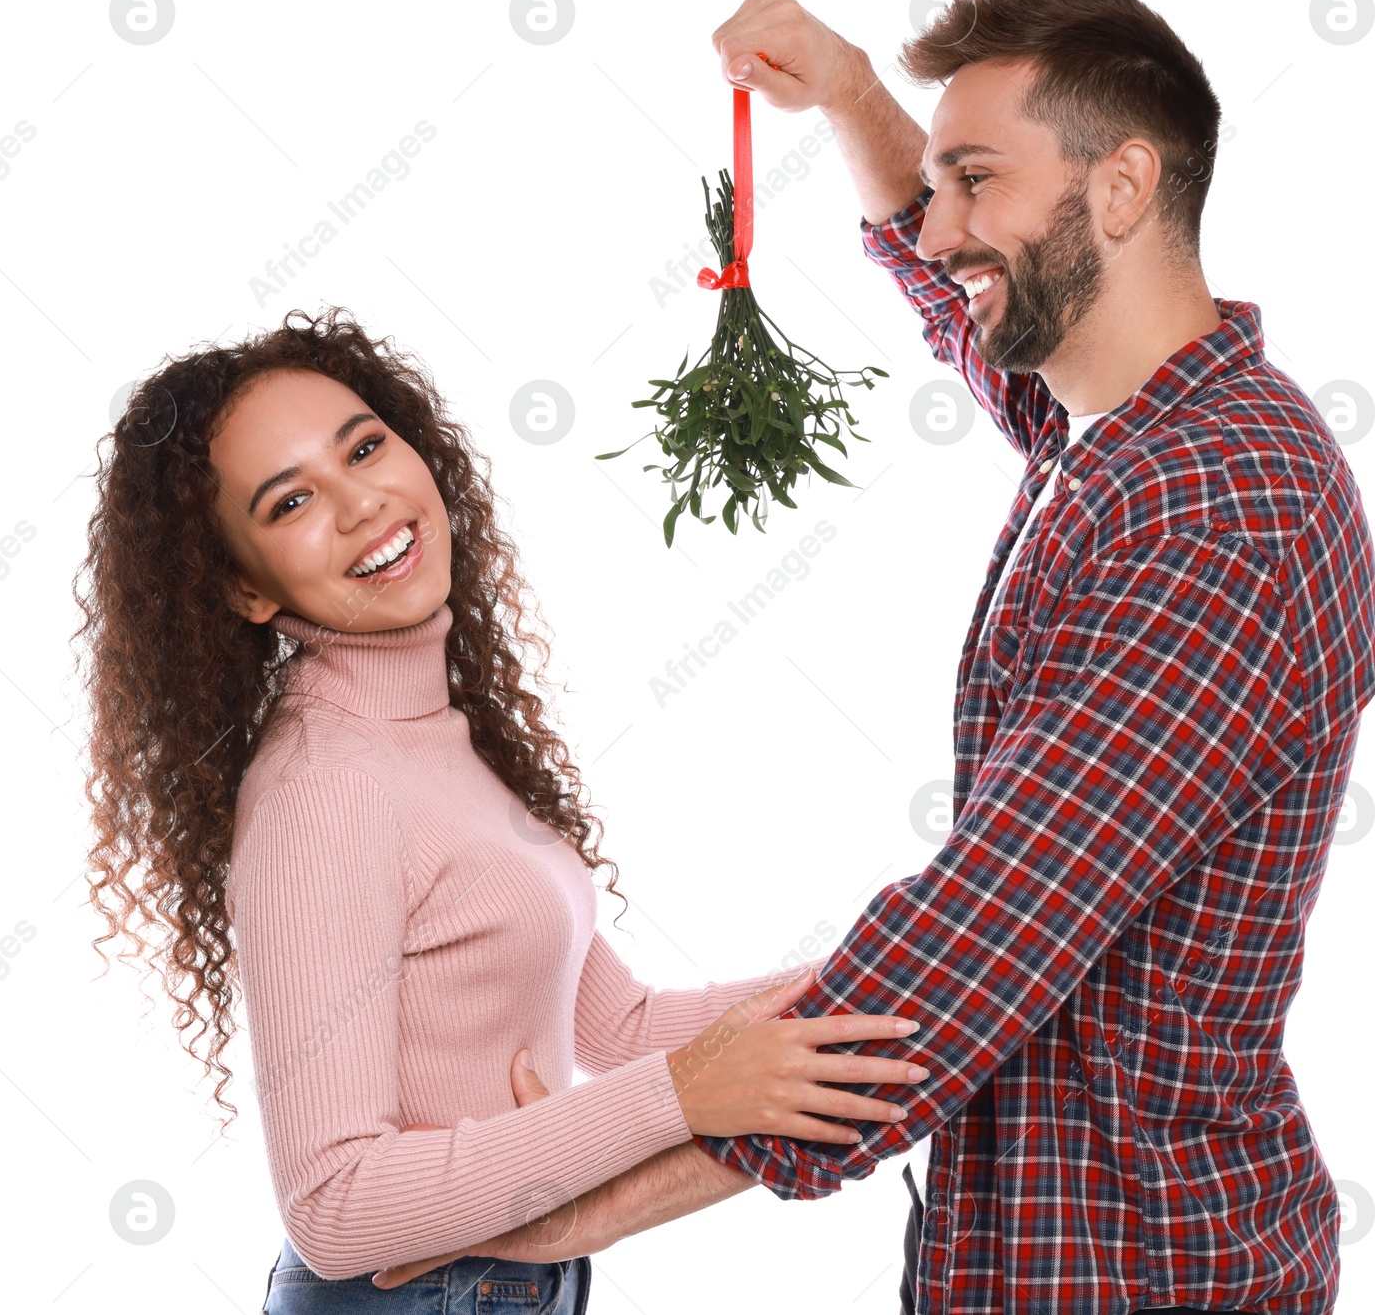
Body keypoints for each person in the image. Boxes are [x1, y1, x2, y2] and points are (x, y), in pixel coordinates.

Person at [374, 0, 1375, 1315]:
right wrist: (850, 94)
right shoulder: (1122, 440)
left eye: (979, 178)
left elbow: (959, 963)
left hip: (1136, 1274)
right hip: (1024, 1244)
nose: (947, 222)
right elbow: (972, 309)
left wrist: (537, 1212)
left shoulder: (1219, 518)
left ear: (1125, 187)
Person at [76, 309, 930, 1313]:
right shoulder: (328, 786)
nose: (362, 504)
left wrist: (913, 962)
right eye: (292, 500)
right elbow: (336, 1206)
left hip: (496, 1285)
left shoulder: (438, 738)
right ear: (243, 586)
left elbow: (619, 1025)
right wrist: (679, 1095)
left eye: (364, 447)